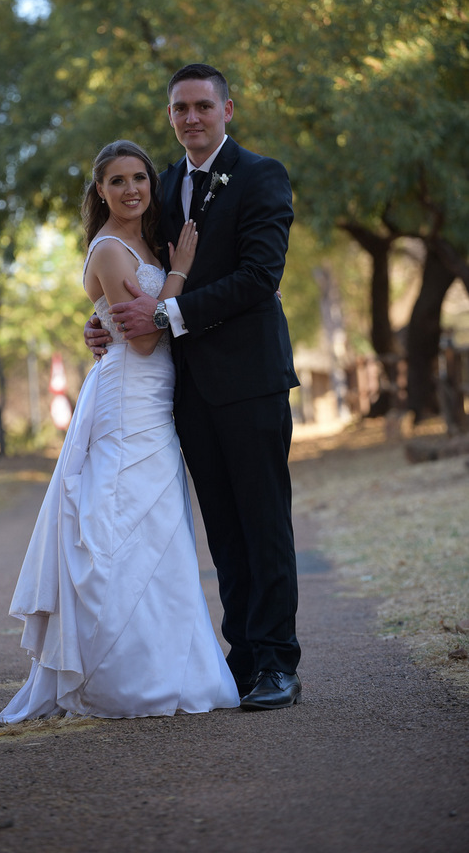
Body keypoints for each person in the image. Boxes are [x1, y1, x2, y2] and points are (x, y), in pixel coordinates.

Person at [0, 139, 240, 722]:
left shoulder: (146, 239)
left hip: (155, 400)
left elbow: (133, 317)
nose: (131, 189)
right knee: (123, 524)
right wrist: (178, 272)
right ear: (100, 191)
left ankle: (169, 669)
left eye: (140, 178)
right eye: (117, 181)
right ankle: (118, 678)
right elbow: (147, 338)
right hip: (129, 398)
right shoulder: (109, 250)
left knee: (160, 528)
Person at [85, 65, 302, 711]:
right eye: (181, 108)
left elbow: (260, 276)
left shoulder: (261, 176)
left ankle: (279, 662)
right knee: (224, 533)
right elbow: (135, 270)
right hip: (186, 391)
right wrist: (102, 322)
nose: (192, 118)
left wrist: (165, 315)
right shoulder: (162, 184)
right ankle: (243, 658)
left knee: (264, 523)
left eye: (204, 106)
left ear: (226, 110)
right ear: (171, 116)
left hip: (251, 380)